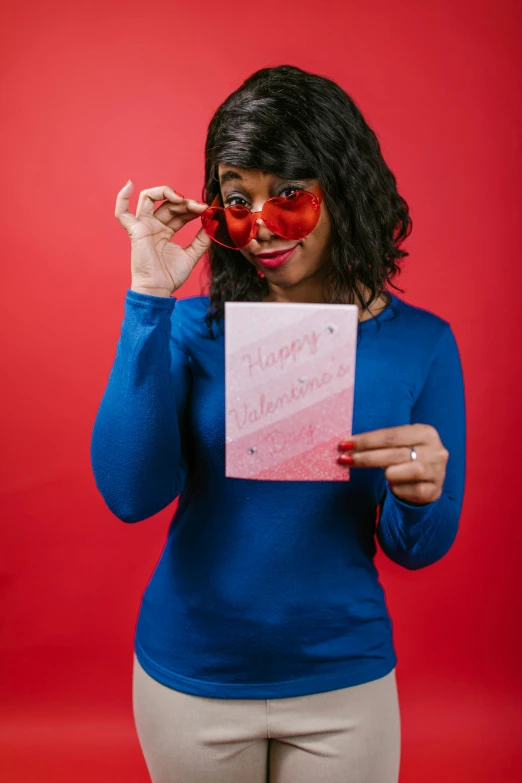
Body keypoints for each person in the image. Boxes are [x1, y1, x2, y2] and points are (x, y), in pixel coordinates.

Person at [90, 65, 466, 783]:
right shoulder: (194, 330)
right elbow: (128, 494)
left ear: (343, 187)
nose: (261, 227)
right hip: (190, 674)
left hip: (343, 681)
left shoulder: (424, 344)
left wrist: (420, 500)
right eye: (238, 201)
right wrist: (148, 302)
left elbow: (417, 552)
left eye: (288, 195)